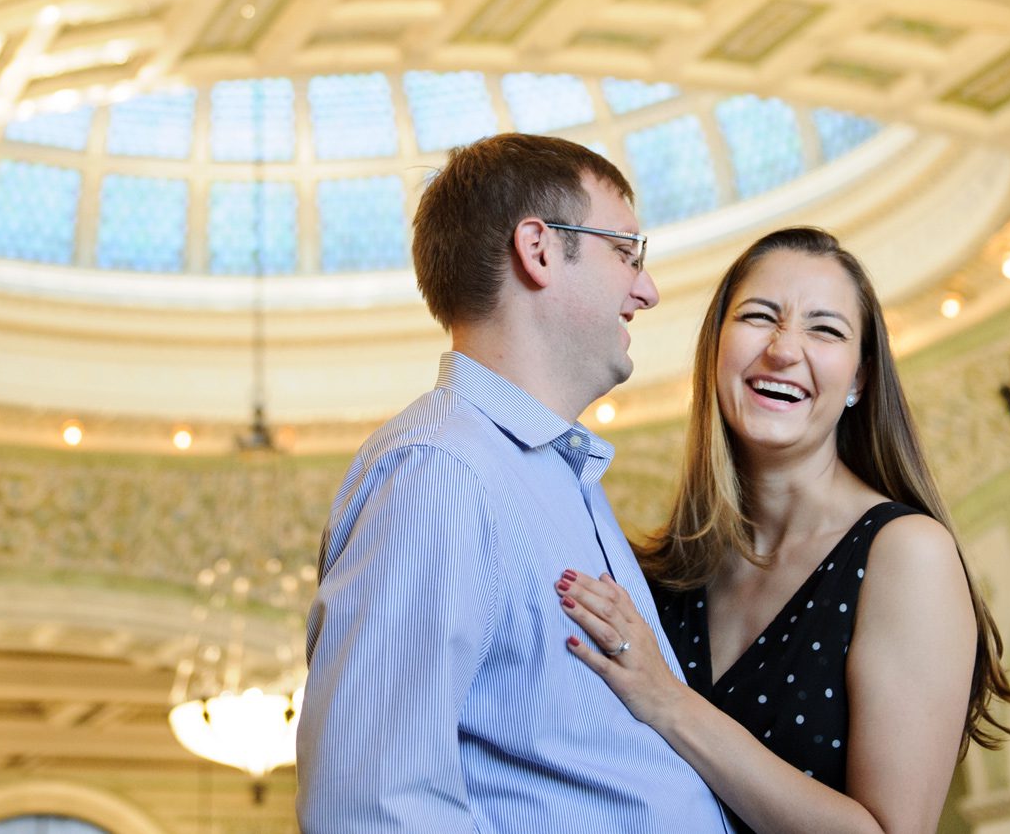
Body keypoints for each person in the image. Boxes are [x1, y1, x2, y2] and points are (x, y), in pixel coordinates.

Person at [297, 133, 730, 834]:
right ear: (538, 248)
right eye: (626, 252)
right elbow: (371, 807)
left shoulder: (554, 474)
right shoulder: (441, 470)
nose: (647, 290)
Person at [555, 226, 1010, 834]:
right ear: (716, 349)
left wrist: (670, 703)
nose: (783, 350)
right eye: (759, 316)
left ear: (858, 379)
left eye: (824, 329)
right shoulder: (659, 575)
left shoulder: (907, 553)